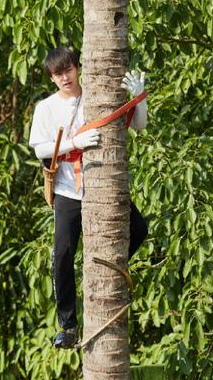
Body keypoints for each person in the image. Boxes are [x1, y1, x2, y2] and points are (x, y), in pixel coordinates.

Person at [28, 47, 149, 349]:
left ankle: (106, 274)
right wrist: (74, 142)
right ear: (52, 78)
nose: (64, 77)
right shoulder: (46, 108)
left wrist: (140, 96)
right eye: (58, 74)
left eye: (68, 69)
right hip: (69, 189)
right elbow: (40, 149)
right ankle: (68, 326)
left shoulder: (98, 95)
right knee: (62, 255)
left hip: (103, 187)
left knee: (139, 228)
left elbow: (139, 124)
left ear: (77, 68)